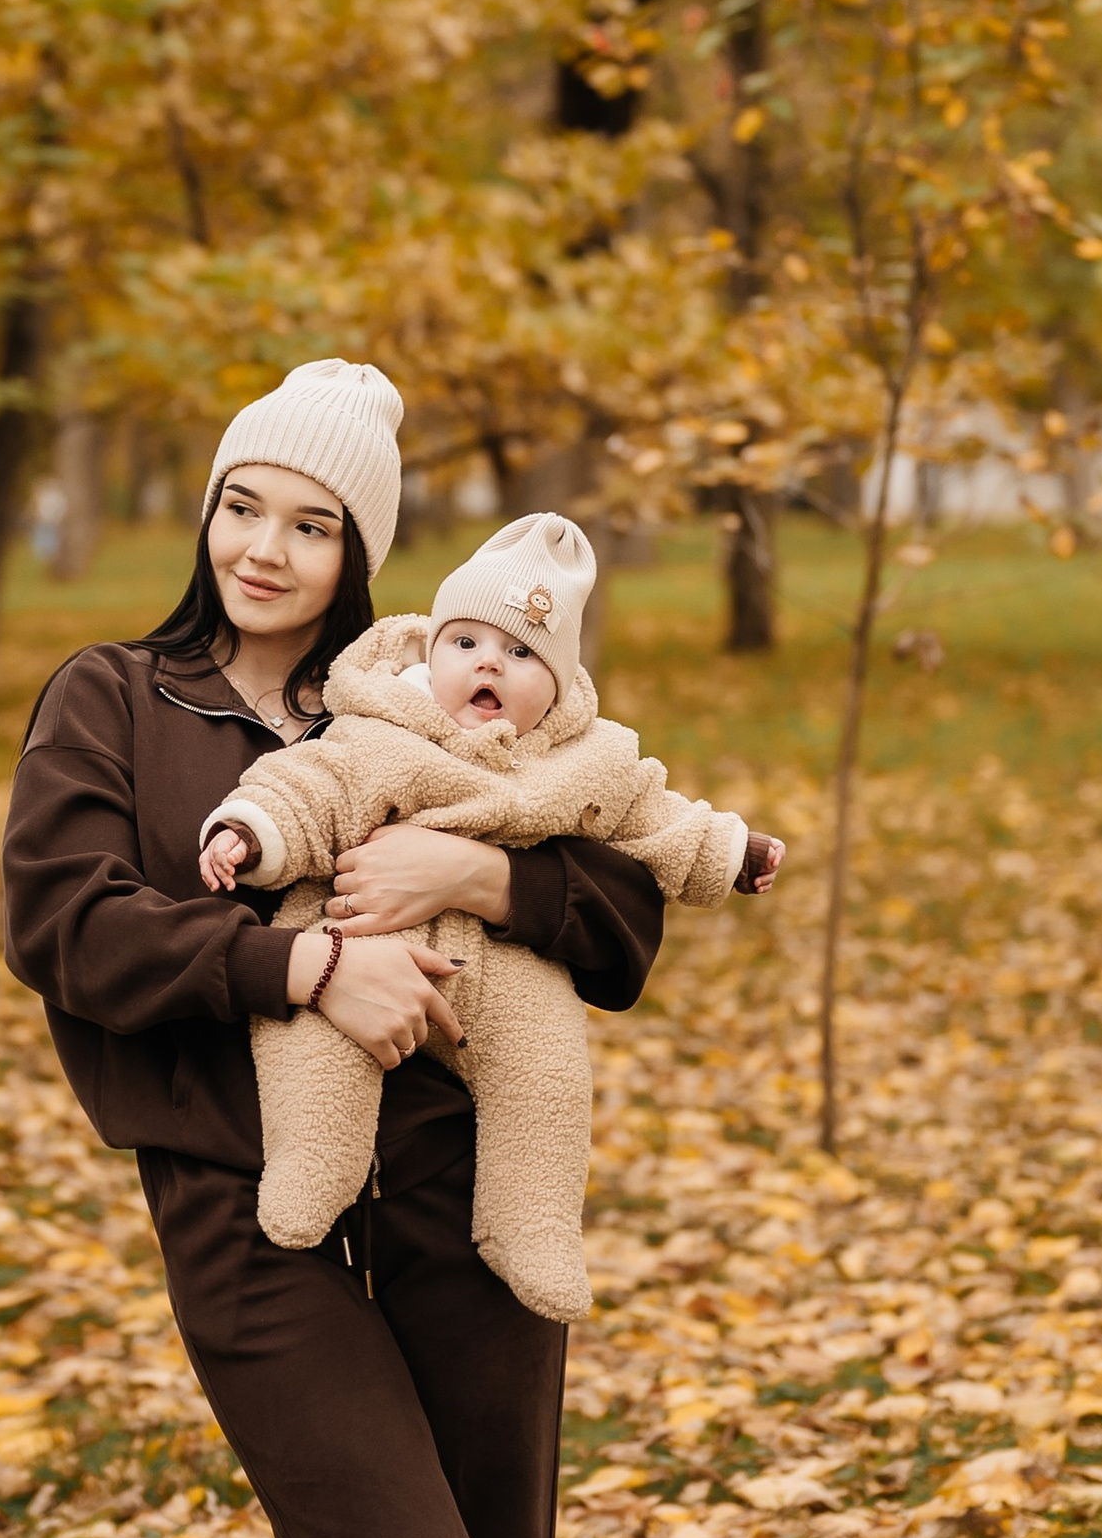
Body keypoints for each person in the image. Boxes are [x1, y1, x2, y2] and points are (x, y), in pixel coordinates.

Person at [2, 358, 715, 1538]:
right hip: (258, 1211)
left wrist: (471, 858)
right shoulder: (114, 698)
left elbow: (626, 908)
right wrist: (304, 958)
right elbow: (65, 926)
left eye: (315, 523)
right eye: (248, 503)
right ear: (209, 509)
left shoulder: (440, 679)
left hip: (469, 1200)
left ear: (364, 553)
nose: (269, 546)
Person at [195, 510, 783, 1317]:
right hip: (362, 933)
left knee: (546, 1076)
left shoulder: (586, 757)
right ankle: (312, 1170)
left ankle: (530, 1226)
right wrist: (247, 834)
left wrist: (731, 851)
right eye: (465, 644)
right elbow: (306, 789)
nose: (488, 666)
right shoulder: (379, 731)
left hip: (504, 972)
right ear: (430, 651)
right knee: (314, 1050)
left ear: (561, 683)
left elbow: (654, 816)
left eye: (520, 655)